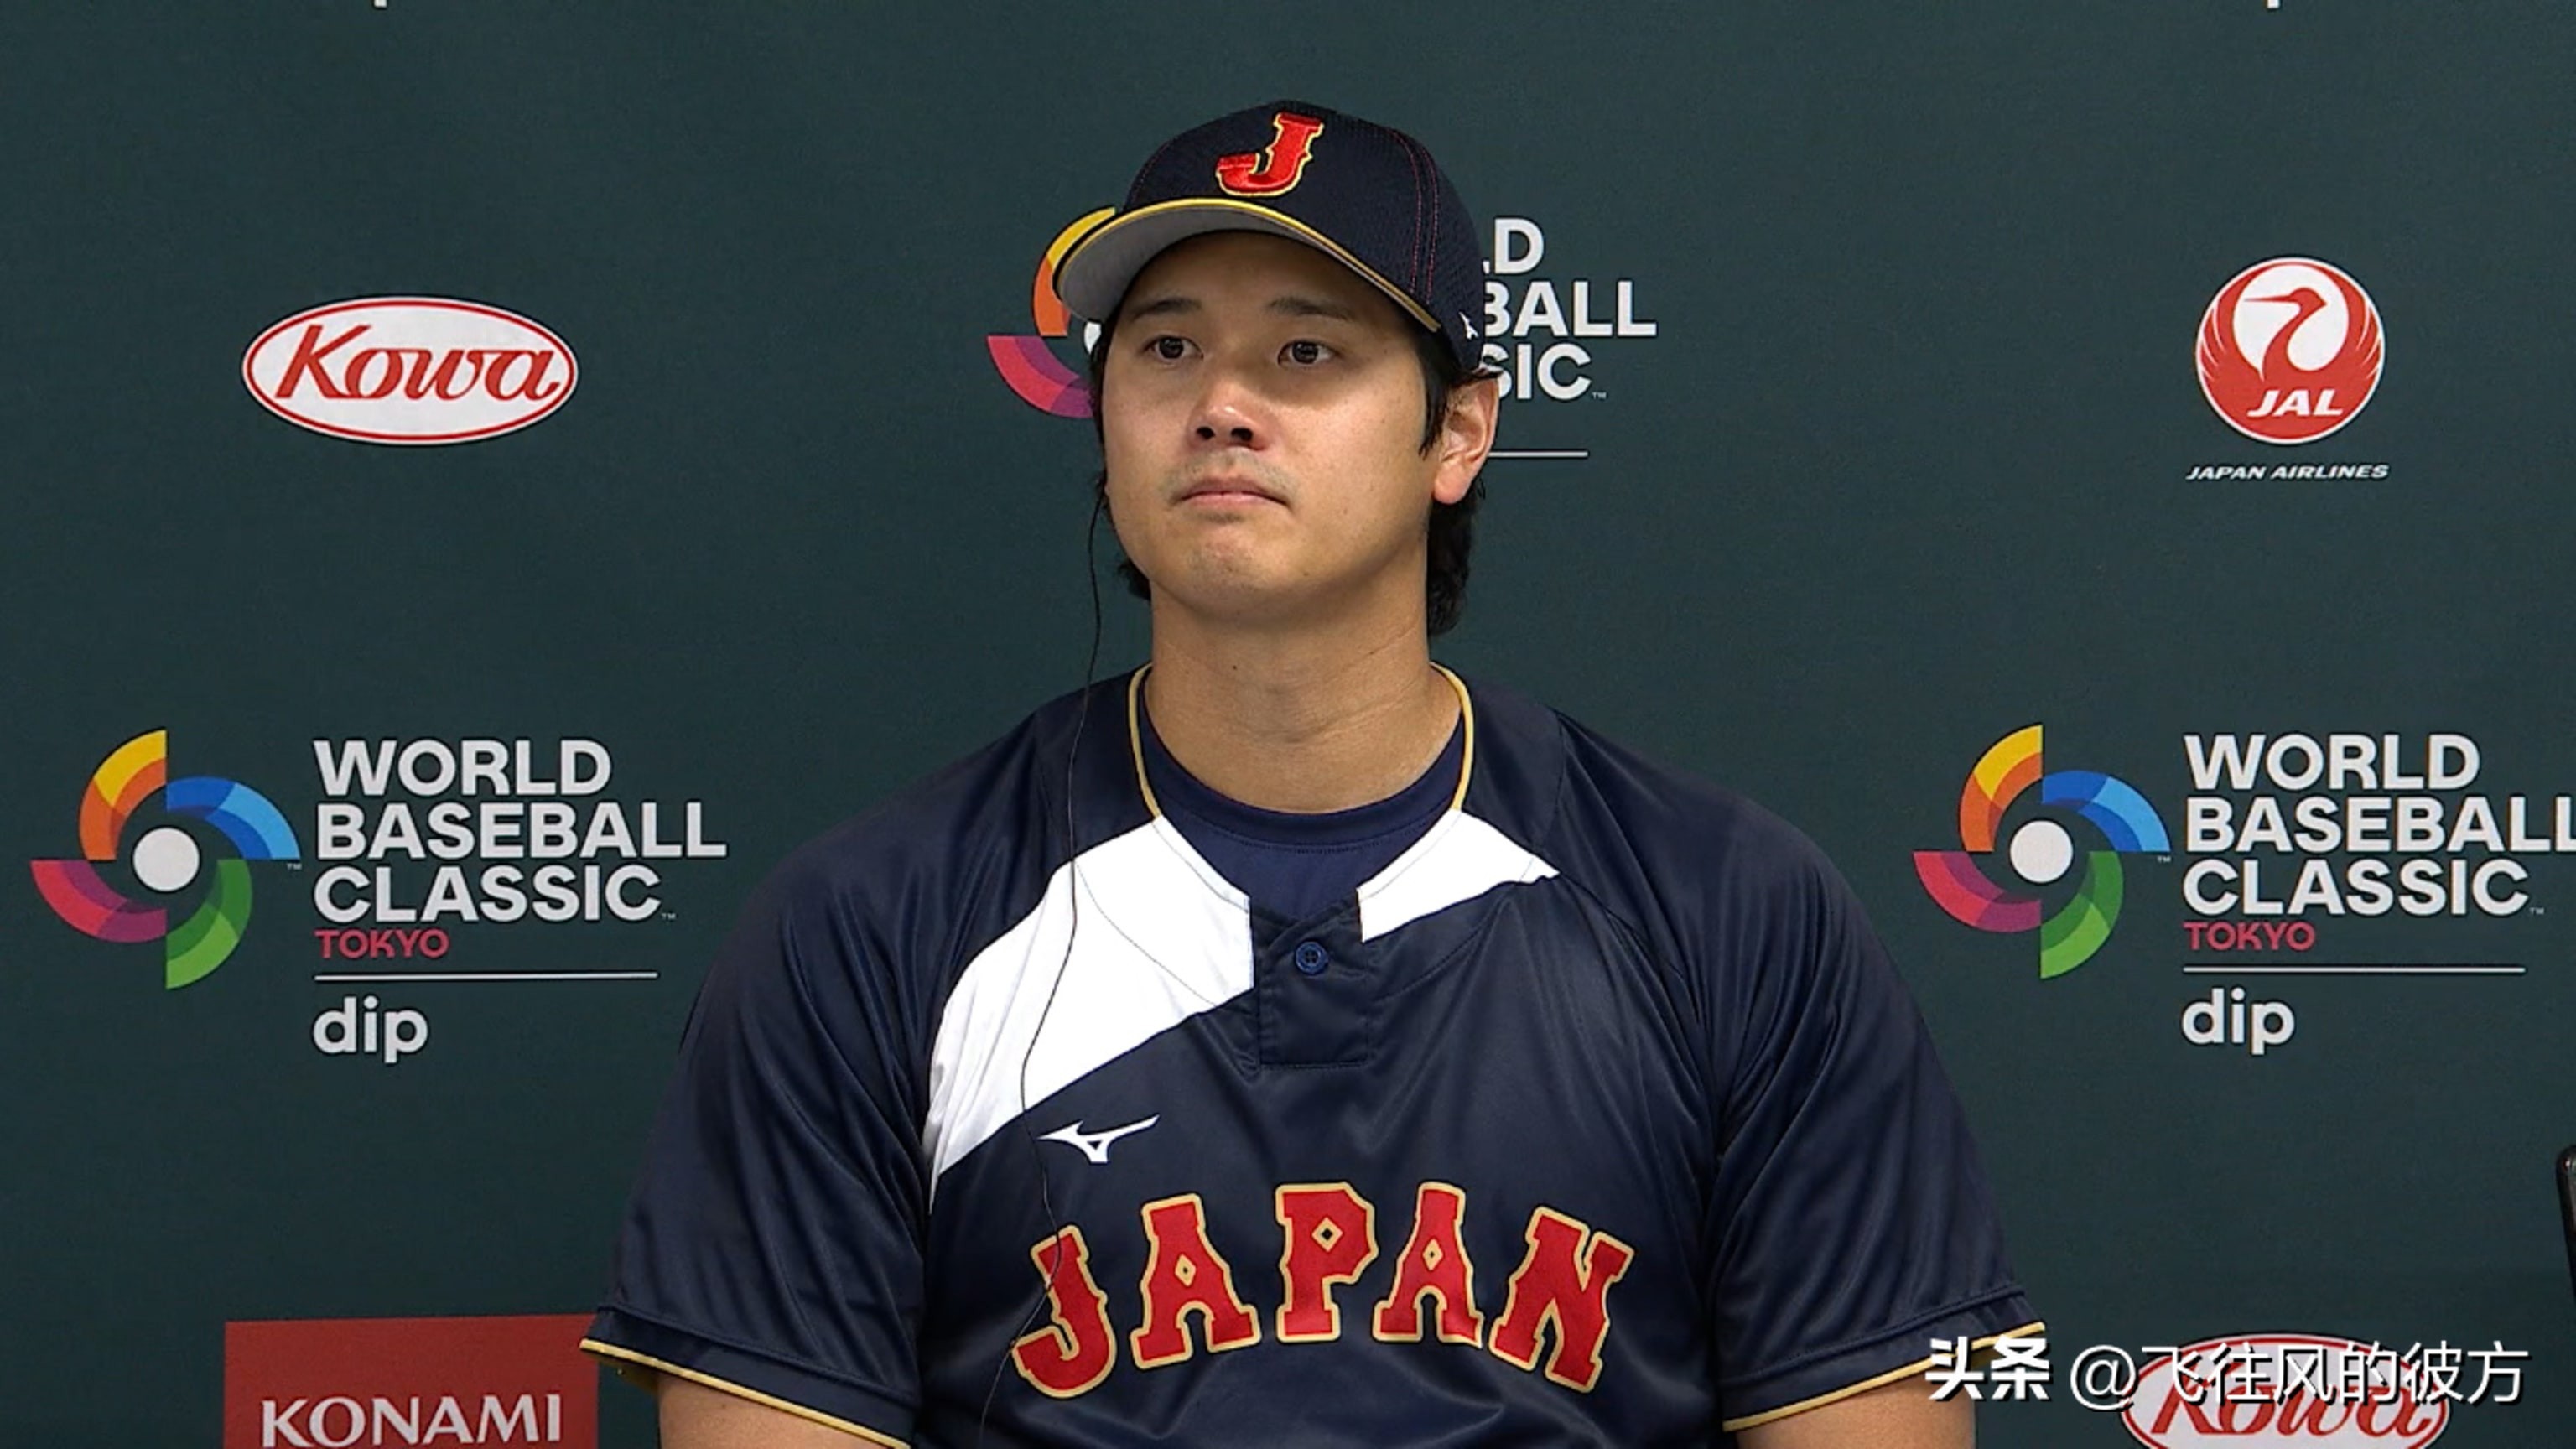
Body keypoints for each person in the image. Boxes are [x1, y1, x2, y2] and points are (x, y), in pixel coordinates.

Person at [582, 100, 2038, 1447]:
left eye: (1306, 353)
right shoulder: (870, 924)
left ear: (1458, 430)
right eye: (1163, 350)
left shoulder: (1724, 906)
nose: (1221, 405)